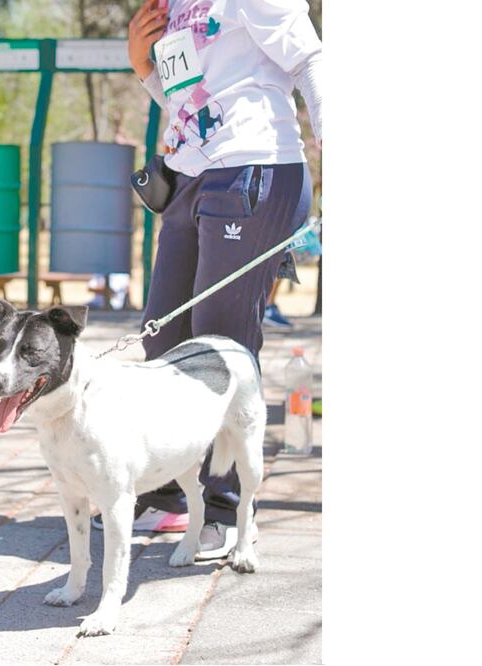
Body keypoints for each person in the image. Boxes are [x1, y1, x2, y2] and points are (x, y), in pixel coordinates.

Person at [93, 0, 322, 558]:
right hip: (189, 175)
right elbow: (192, 104)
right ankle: (169, 490)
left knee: (221, 344)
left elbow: (310, 61)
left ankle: (227, 508)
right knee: (165, 338)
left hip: (254, 166)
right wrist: (143, 67)